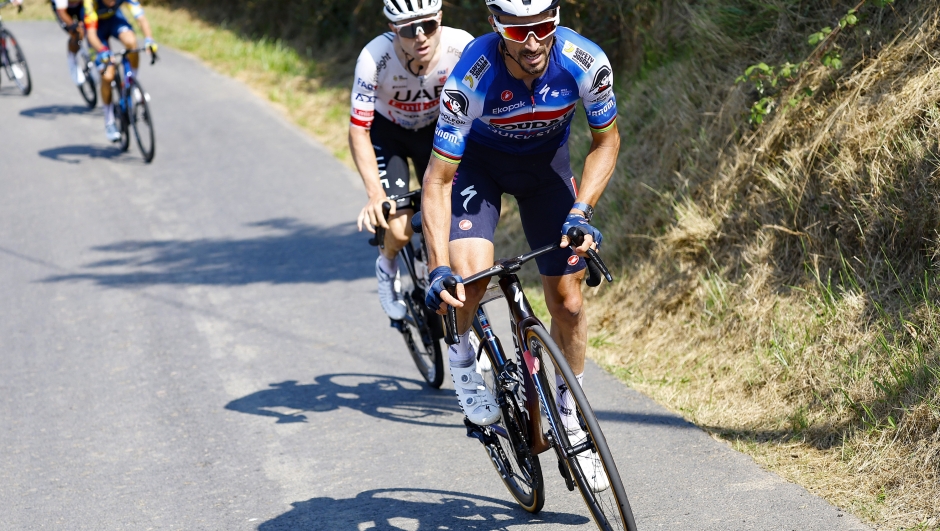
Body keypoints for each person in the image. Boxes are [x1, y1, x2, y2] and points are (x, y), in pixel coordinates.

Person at [422, 0, 619, 490]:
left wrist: (582, 211)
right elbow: (438, 179)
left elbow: (606, 142)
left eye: (542, 26)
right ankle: (465, 362)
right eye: (517, 29)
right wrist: (437, 266)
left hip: (546, 173)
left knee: (569, 304)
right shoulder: (472, 75)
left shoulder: (584, 60)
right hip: (478, 169)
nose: (532, 41)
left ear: (557, 18)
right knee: (471, 278)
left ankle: (570, 417)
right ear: (496, 26)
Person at [350, 0, 472, 320]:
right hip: (389, 135)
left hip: (435, 132)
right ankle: (387, 265)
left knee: (454, 223)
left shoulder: (461, 46)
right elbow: (359, 130)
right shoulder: (374, 58)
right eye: (408, 29)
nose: (421, 37)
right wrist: (375, 193)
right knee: (402, 227)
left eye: (429, 25)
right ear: (393, 29)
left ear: (440, 19)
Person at [83, 0, 157, 142]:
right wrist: (102, 51)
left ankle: (133, 83)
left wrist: (149, 39)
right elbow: (91, 35)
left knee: (132, 43)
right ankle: (109, 120)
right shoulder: (90, 3)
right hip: (97, 30)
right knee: (107, 76)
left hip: (115, 20)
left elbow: (140, 17)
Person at [50, 0, 87, 86]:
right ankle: (72, 58)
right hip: (63, 10)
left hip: (80, 5)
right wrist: (74, 25)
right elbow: (62, 13)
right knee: (76, 33)